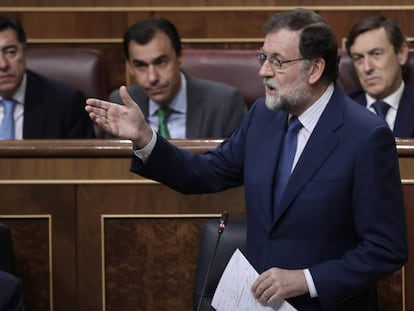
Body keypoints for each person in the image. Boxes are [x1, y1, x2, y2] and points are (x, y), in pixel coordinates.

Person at [86, 8, 408, 311]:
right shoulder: (262, 118)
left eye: (278, 62)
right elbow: (205, 173)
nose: (263, 71)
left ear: (315, 69)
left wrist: (306, 279)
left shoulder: (366, 136)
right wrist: (145, 139)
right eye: (263, 57)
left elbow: (385, 249)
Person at [108, 18, 246, 139]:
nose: (152, 77)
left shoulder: (224, 103)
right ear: (130, 68)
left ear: (180, 57)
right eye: (141, 65)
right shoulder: (120, 104)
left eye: (161, 62)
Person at [0, 16, 95, 139]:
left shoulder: (66, 104)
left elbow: (82, 158)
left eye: (10, 52)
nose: (3, 64)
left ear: (24, 51)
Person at [345, 15, 414, 137]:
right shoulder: (340, 110)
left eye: (376, 54)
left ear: (401, 54)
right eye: (358, 58)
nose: (367, 68)